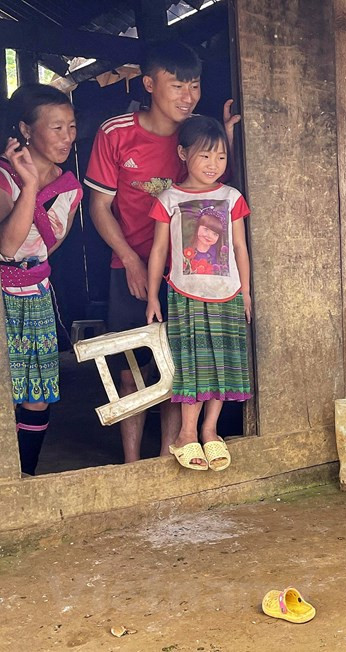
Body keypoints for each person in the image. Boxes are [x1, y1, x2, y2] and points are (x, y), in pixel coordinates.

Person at [85, 40, 240, 463]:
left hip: (190, 274)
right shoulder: (116, 133)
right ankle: (133, 464)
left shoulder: (196, 136)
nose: (188, 97)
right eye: (178, 86)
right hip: (130, 265)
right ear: (150, 84)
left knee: (182, 365)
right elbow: (99, 207)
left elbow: (218, 187)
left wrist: (223, 137)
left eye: (194, 86)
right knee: (130, 369)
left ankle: (170, 454)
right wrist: (132, 260)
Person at [146, 116, 251, 471]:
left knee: (222, 364)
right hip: (185, 294)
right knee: (193, 364)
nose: (213, 165)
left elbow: (239, 247)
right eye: (205, 156)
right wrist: (151, 296)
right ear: (182, 154)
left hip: (227, 294)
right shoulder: (169, 199)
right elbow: (158, 251)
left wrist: (246, 292)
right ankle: (185, 435)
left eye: (220, 157)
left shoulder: (231, 197)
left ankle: (210, 430)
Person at [0, 84, 82, 475]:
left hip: (35, 294)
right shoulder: (3, 178)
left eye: (71, 127)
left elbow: (48, 247)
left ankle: (25, 475)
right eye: (56, 128)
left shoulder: (70, 189)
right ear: (26, 130)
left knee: (37, 395)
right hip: (2, 295)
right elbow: (7, 245)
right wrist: (29, 185)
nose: (67, 137)